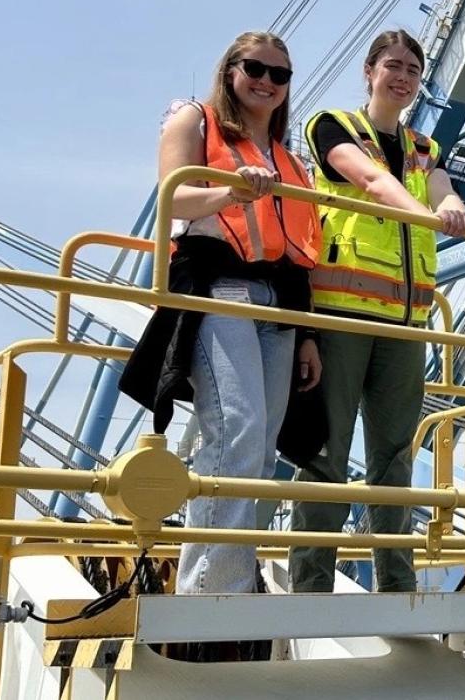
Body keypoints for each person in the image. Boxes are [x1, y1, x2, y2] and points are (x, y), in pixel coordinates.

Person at [289, 28, 465, 594]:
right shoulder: (331, 126)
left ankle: (397, 585)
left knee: (395, 456)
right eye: (393, 66)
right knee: (328, 451)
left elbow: (443, 192)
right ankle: (310, 587)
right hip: (340, 315)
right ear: (369, 71)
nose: (403, 77)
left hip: (406, 321)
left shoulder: (425, 149)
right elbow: (371, 180)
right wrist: (428, 216)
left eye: (412, 70)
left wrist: (461, 215)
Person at [121, 30, 323, 604]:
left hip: (277, 301)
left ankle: (234, 575)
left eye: (279, 74)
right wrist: (232, 192)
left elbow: (298, 252)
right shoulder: (195, 119)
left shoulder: (290, 160)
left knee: (262, 446)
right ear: (230, 70)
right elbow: (173, 195)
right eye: (255, 68)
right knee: (237, 429)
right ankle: (210, 592)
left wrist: (308, 333)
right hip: (219, 287)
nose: (266, 81)